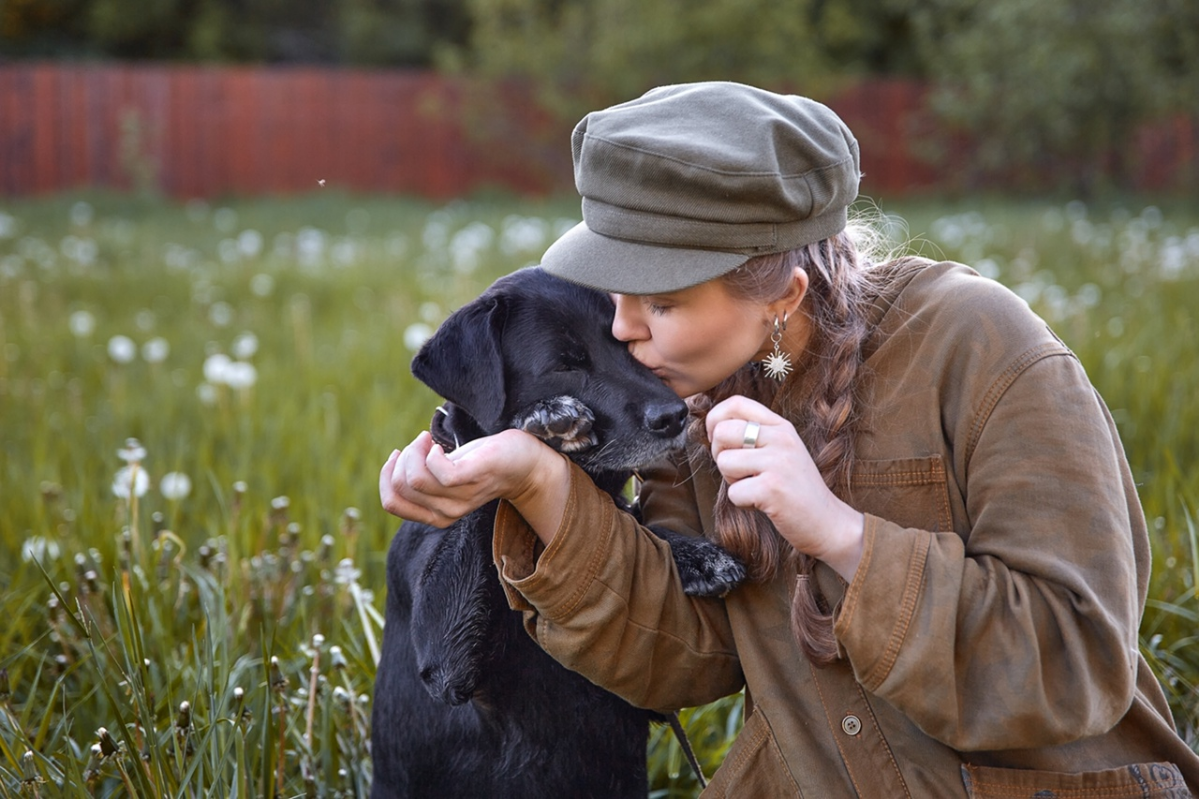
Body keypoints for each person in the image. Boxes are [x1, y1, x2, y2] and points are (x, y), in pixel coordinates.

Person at [379, 82, 1199, 797]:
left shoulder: (978, 348)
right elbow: (682, 659)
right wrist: (541, 488)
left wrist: (839, 536)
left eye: (658, 302)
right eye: (611, 295)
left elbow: (1075, 666)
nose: (622, 331)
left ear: (782, 293)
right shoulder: (690, 399)